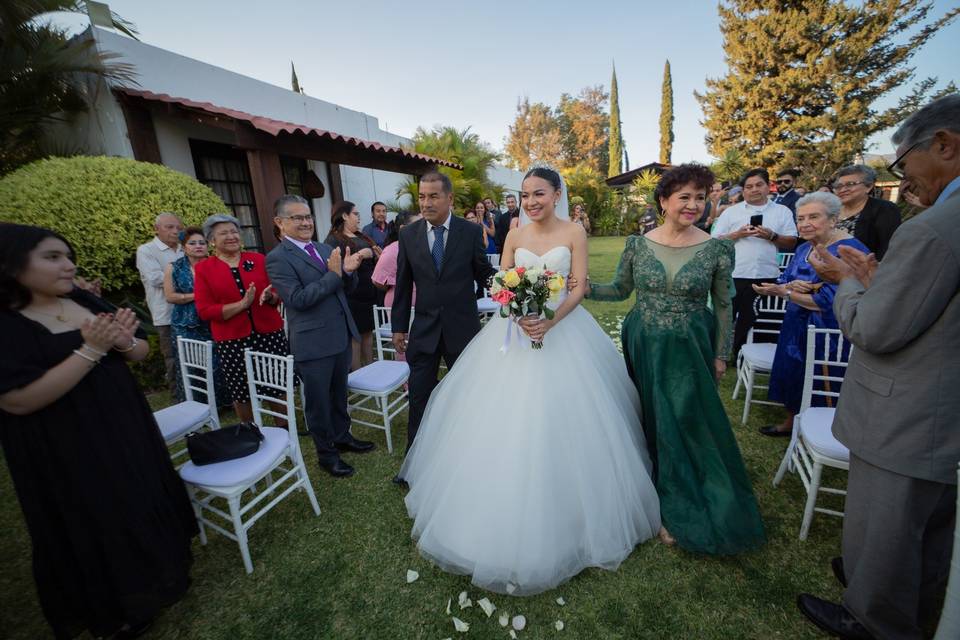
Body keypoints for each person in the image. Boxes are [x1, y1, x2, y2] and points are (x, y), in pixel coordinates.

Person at [398, 166, 661, 595]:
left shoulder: (575, 231)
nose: (531, 201)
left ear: (556, 194)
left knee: (568, 420)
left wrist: (550, 321)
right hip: (514, 335)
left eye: (539, 193)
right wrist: (519, 312)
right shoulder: (514, 233)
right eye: (525, 194)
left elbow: (578, 287)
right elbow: (501, 282)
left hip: (563, 333)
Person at [798, 94, 960, 640]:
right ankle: (908, 606)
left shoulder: (934, 227)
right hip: (941, 408)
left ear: (944, 145)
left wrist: (843, 282)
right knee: (925, 531)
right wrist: (876, 280)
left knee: (889, 523)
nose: (905, 174)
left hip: (910, 409)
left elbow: (875, 330)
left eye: (902, 160)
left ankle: (873, 618)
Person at [0, 224, 197, 639]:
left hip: (124, 426)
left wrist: (123, 341)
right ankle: (117, 608)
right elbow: (15, 400)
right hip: (69, 442)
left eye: (68, 255)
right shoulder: (10, 324)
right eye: (52, 257)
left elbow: (138, 350)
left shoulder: (83, 299)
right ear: (11, 265)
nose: (67, 265)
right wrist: (90, 350)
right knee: (96, 514)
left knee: (137, 495)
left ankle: (163, 573)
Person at [588, 163, 766, 555]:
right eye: (684, 196)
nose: (693, 205)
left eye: (700, 197)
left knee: (684, 419)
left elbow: (723, 305)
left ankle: (679, 504)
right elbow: (620, 290)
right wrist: (583, 288)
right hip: (643, 341)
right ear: (664, 201)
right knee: (649, 414)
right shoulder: (638, 244)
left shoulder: (717, 247)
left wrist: (721, 354)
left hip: (689, 345)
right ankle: (648, 488)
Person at [266, 195, 374, 478]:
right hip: (312, 343)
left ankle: (343, 436)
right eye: (297, 218)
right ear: (280, 222)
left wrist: (348, 273)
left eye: (308, 217)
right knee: (318, 403)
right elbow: (298, 299)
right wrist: (334, 275)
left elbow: (342, 288)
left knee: (339, 394)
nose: (305, 222)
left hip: (339, 334)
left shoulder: (324, 247)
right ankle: (326, 454)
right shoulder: (277, 259)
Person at [391, 172, 496, 460]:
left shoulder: (470, 232)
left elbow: (483, 273)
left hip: (461, 329)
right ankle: (414, 458)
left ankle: (470, 452)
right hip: (423, 330)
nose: (426, 203)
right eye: (422, 196)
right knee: (419, 397)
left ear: (449, 198)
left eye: (433, 196)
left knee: (468, 395)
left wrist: (512, 285)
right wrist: (399, 327)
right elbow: (403, 283)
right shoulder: (408, 234)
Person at [751, 193, 868, 437]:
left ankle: (827, 431)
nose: (804, 223)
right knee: (795, 372)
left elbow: (828, 301)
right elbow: (786, 278)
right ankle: (792, 421)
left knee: (824, 378)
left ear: (833, 220)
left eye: (813, 217)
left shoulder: (849, 250)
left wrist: (785, 293)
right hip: (797, 324)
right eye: (800, 218)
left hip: (829, 330)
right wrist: (790, 285)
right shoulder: (805, 247)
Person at [193, 214, 286, 424]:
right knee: (241, 389)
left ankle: (284, 428)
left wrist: (271, 296)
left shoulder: (258, 260)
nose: (231, 236)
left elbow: (277, 293)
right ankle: (250, 431)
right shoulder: (204, 269)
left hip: (268, 333)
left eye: (234, 231)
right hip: (232, 339)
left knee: (276, 384)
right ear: (212, 240)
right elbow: (205, 310)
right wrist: (241, 305)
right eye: (223, 233)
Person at [711, 168, 798, 362]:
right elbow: (714, 241)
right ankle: (719, 355)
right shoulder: (732, 212)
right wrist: (737, 234)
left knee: (753, 317)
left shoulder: (781, 211)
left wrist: (772, 236)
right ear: (743, 190)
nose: (754, 190)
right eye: (748, 187)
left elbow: (792, 241)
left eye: (759, 185)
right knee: (726, 316)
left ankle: (742, 354)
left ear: (768, 186)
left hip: (766, 274)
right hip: (735, 273)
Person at [162, 226, 227, 404]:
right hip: (185, 323)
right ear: (184, 247)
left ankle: (222, 402)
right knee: (191, 363)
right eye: (192, 243)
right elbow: (170, 296)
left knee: (217, 361)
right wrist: (198, 295)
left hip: (212, 319)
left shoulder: (216, 264)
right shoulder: (173, 267)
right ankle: (196, 403)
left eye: (202, 243)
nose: (198, 246)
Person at [326, 201, 380, 371]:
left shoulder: (362, 235)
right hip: (352, 293)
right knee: (355, 336)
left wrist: (376, 254)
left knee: (367, 332)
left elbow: (374, 254)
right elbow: (334, 266)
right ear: (344, 216)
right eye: (355, 214)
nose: (359, 217)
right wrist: (360, 255)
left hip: (368, 291)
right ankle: (357, 374)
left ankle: (370, 368)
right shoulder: (333, 239)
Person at [136, 212, 184, 395]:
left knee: (195, 354)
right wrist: (188, 278)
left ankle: (201, 395)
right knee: (172, 357)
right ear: (156, 229)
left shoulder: (184, 248)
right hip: (167, 314)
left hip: (191, 310)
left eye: (178, 228)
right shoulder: (146, 250)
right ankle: (177, 395)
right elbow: (155, 279)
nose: (175, 231)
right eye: (169, 227)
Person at [831, 164, 902, 260]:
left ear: (868, 186)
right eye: (839, 186)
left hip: (862, 271)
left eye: (850, 184)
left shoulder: (884, 209)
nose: (843, 190)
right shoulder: (831, 210)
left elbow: (889, 248)